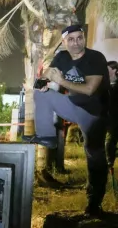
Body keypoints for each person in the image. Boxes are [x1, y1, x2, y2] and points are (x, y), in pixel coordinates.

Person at [24, 24, 110, 216]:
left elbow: (89, 89)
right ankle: (47, 137)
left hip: (94, 113)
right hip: (72, 106)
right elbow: (49, 73)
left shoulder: (95, 58)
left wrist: (61, 81)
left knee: (94, 153)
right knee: (41, 95)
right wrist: (43, 82)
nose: (76, 42)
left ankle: (94, 202)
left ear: (84, 38)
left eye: (79, 38)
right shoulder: (62, 56)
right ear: (64, 42)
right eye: (70, 39)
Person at [107, 60, 118, 170]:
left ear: (115, 71)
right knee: (110, 141)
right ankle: (109, 162)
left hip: (115, 119)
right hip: (109, 120)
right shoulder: (104, 86)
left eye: (108, 70)